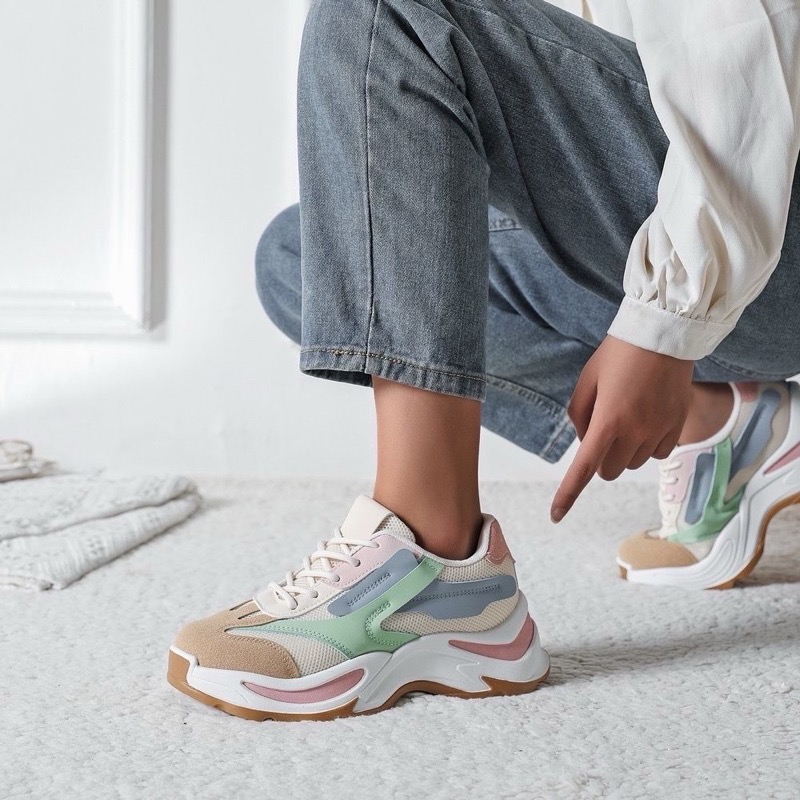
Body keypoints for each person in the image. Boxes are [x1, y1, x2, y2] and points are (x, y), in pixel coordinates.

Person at [167, 0, 800, 720]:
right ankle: (723, 425)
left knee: (383, 10)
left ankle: (434, 555)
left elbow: (753, 71)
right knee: (302, 259)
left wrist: (666, 319)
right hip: (690, 216)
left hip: (771, 208)